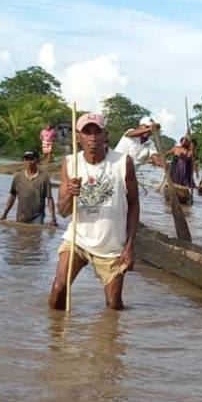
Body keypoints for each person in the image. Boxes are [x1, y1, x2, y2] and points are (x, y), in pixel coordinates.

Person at [48, 113, 139, 311]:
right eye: (87, 133)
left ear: (105, 135)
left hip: (111, 245)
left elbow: (134, 204)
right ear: (79, 137)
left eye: (97, 132)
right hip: (78, 239)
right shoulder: (71, 163)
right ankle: (54, 337)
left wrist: (130, 245)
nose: (92, 138)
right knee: (58, 289)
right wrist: (69, 195)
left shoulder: (123, 163)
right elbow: (62, 211)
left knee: (114, 307)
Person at [0, 150, 57, 226]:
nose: (29, 162)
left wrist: (53, 218)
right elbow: (12, 195)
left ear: (37, 161)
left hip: (38, 216)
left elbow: (49, 198)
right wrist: (5, 214)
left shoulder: (44, 177)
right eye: (26, 159)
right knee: (21, 236)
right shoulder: (18, 177)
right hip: (22, 216)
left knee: (36, 234)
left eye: (31, 159)